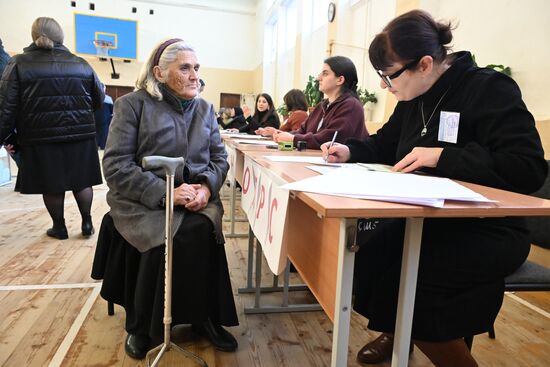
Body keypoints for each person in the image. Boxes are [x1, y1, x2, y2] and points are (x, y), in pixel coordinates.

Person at [321, 10, 547, 366]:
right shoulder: (413, 97)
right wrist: (350, 150)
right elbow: (385, 144)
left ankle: (429, 340)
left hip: (490, 228)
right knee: (369, 255)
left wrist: (443, 156)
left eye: (389, 75)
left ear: (425, 64)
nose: (384, 85)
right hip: (428, 218)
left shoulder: (488, 89)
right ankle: (398, 329)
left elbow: (527, 166)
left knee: (411, 283)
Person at [91, 38, 238, 360]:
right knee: (164, 233)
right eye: (184, 68)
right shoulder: (132, 105)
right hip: (142, 198)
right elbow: (115, 165)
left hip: (194, 193)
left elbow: (219, 159)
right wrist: (164, 194)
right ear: (159, 72)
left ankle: (204, 318)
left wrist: (207, 189)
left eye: (196, 68)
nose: (194, 75)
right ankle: (142, 325)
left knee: (200, 229)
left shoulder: (205, 108)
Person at [0, 17, 104, 239]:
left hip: (40, 134)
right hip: (81, 133)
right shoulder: (81, 63)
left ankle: (59, 227)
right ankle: (87, 223)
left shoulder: (19, 63)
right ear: (61, 37)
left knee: (52, 182)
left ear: (33, 35)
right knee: (82, 179)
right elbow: (99, 97)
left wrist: (4, 135)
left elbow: (7, 105)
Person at [273, 56, 369, 149]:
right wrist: (284, 135)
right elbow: (302, 131)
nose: (319, 78)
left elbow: (330, 139)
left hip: (340, 164)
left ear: (340, 80)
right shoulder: (321, 106)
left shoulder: (351, 105)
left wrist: (293, 139)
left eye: (325, 73)